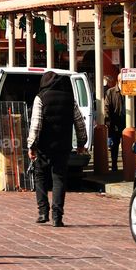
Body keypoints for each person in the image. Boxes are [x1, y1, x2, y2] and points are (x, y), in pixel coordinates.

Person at [27, 71, 88, 227]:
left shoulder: (40, 98)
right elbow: (80, 123)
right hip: (63, 146)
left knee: (40, 176)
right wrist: (82, 143)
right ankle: (57, 217)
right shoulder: (70, 99)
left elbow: (36, 124)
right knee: (59, 179)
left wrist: (31, 145)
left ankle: (42, 212)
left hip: (44, 147)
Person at [104, 74, 124, 172]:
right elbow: (106, 107)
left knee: (127, 146)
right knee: (114, 146)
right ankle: (114, 165)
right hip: (115, 123)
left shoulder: (129, 91)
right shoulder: (110, 92)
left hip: (126, 123)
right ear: (119, 80)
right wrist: (108, 121)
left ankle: (126, 165)